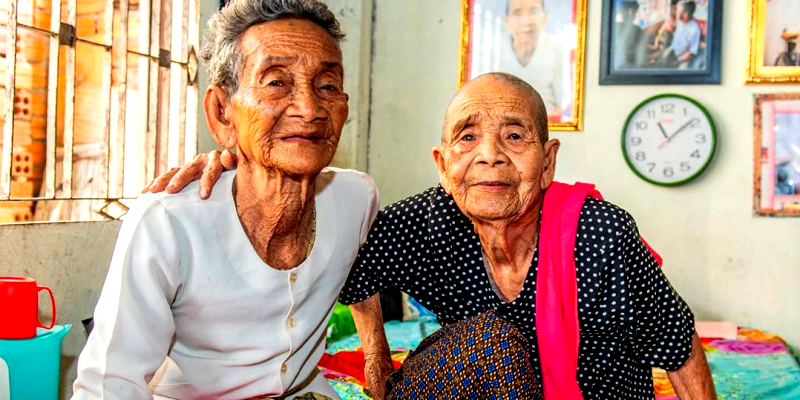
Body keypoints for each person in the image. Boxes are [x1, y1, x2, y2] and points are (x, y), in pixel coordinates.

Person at [151, 73, 716, 400]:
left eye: (514, 136)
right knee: (491, 343)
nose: (489, 154)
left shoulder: (601, 238)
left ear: (547, 163)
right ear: (444, 165)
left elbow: (681, 351)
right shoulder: (422, 224)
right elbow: (358, 271)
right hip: (470, 384)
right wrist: (375, 358)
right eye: (467, 138)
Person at [71, 0, 379, 400]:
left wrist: (377, 359)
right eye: (276, 82)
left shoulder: (356, 199)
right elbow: (107, 386)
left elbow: (374, 270)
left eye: (327, 85)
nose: (309, 108)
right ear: (221, 112)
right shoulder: (167, 222)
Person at [492, 0, 564, 119]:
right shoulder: (493, 51)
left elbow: (564, 105)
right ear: (506, 21)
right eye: (517, 13)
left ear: (544, 17)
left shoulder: (556, 48)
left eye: (534, 11)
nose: (526, 21)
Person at [660, 0, 702, 69]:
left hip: (682, 59)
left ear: (686, 14)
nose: (676, 14)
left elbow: (690, 52)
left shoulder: (694, 29)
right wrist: (668, 50)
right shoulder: (680, 20)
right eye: (677, 11)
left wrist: (676, 61)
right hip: (672, 51)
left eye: (678, 11)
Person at [614, 0, 647, 69]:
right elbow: (641, 60)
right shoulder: (638, 31)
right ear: (631, 12)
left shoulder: (614, 28)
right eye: (636, 12)